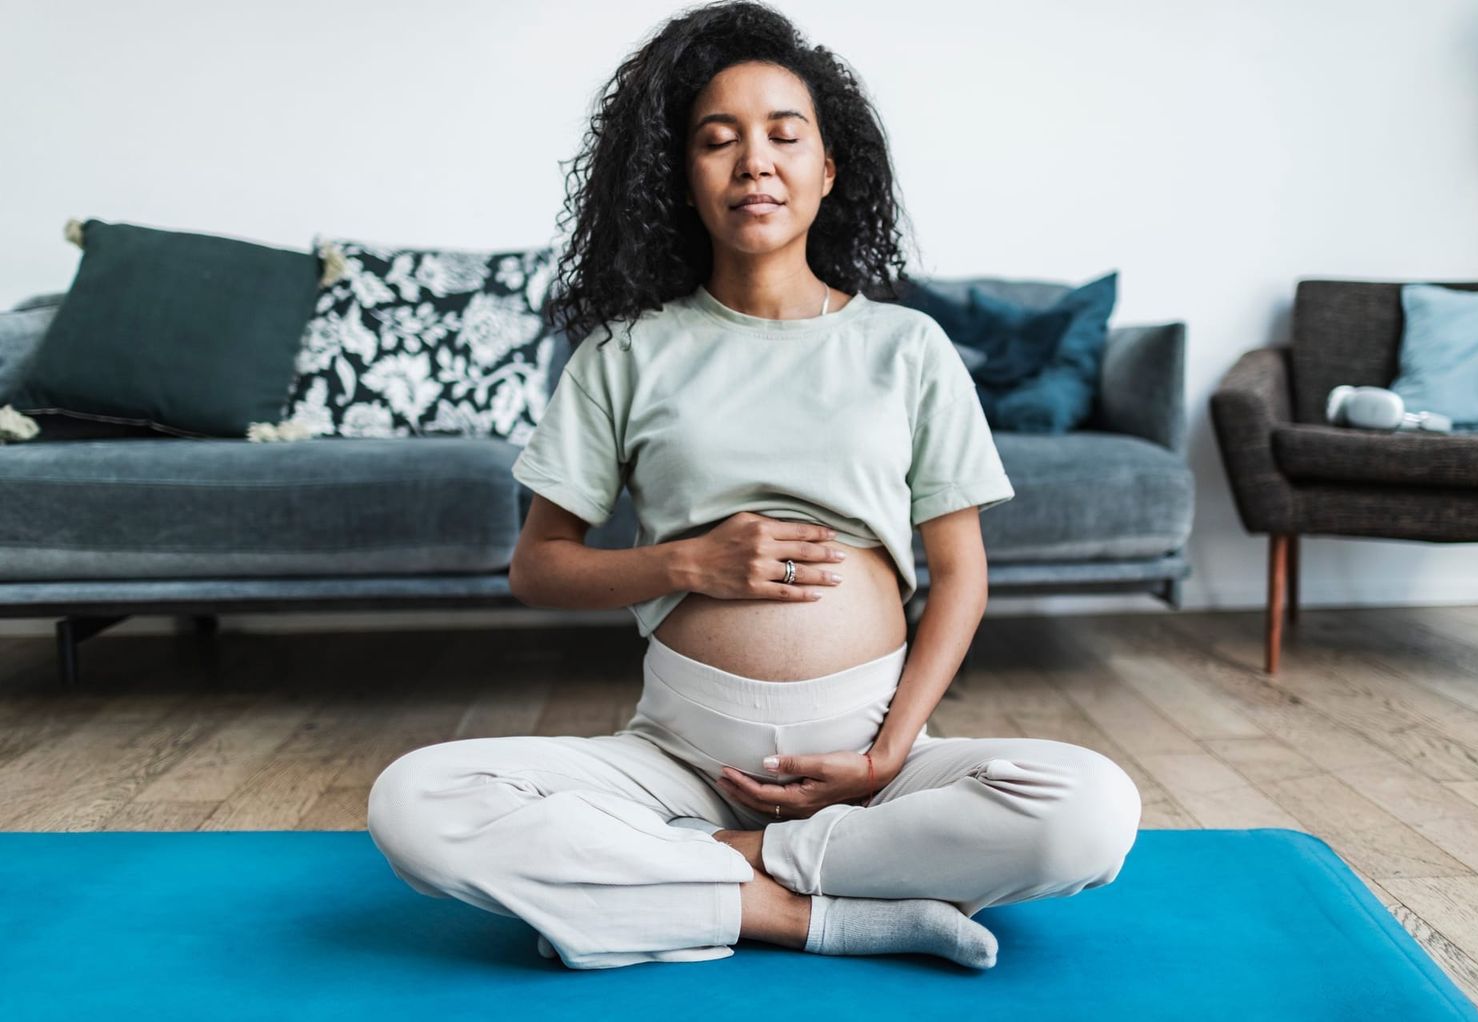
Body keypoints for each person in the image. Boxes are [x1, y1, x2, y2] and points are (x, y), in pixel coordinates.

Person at [366, 0, 1141, 972]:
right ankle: (820, 911)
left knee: (1091, 810)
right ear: (680, 177)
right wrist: (687, 559)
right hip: (677, 760)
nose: (754, 162)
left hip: (869, 753)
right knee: (414, 800)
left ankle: (701, 874)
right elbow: (538, 567)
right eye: (716, 139)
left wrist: (887, 754)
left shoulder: (907, 347)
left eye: (784, 135)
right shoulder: (623, 351)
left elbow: (962, 576)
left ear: (828, 168)